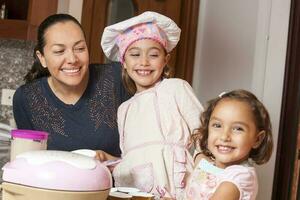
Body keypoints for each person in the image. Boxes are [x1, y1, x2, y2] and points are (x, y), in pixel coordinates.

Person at [101, 11, 204, 199]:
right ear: (124, 62)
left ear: (166, 59)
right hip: (137, 192)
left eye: (154, 55)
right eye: (134, 54)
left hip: (175, 185)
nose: (144, 62)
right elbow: (133, 157)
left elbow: (203, 132)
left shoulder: (176, 88)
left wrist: (201, 164)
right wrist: (109, 161)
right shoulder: (124, 109)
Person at [12, 14, 129, 159]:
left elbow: (147, 154)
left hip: (116, 181)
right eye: (59, 51)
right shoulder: (26, 99)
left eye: (79, 48)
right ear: (42, 58)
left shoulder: (116, 78)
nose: (72, 59)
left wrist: (111, 162)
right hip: (55, 182)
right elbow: (28, 163)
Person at [184, 90, 273, 200]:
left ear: (257, 139)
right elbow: (200, 159)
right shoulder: (211, 165)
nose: (224, 136)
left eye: (238, 128)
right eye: (217, 125)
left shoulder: (240, 177)